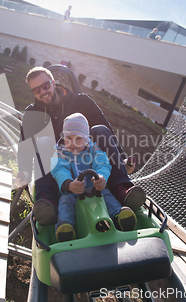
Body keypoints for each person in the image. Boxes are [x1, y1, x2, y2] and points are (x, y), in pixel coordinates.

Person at [16, 66, 145, 226]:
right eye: (36, 90)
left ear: (53, 83)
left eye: (45, 86)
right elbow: (25, 146)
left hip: (90, 163)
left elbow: (106, 129)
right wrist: (24, 171)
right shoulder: (32, 113)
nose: (42, 92)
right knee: (43, 142)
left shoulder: (80, 101)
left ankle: (121, 189)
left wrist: (123, 159)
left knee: (99, 129)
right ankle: (47, 201)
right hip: (58, 170)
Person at [51, 113, 138, 242]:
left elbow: (102, 163)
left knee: (107, 196)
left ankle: (119, 215)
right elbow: (59, 168)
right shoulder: (61, 152)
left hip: (95, 188)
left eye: (78, 138)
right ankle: (66, 226)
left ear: (86, 139)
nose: (73, 143)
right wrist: (68, 184)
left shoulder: (93, 149)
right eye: (68, 138)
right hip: (73, 190)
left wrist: (102, 177)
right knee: (65, 202)